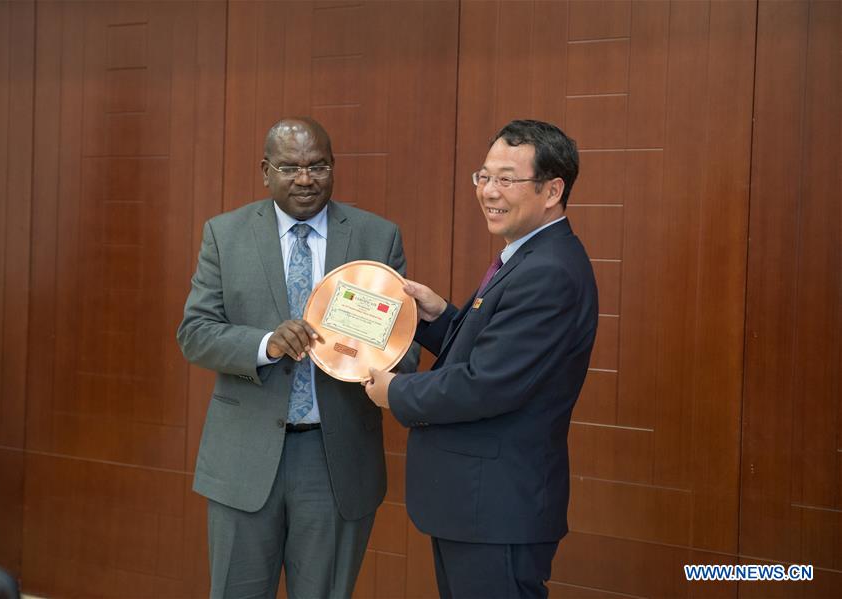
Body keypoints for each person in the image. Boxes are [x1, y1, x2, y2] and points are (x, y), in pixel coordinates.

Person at [177, 117, 418, 599]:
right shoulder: (225, 235)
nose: (306, 179)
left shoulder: (377, 237)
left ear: (333, 168)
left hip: (334, 459)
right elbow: (195, 333)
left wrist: (365, 356)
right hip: (244, 457)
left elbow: (404, 351)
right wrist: (265, 343)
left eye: (318, 166)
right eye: (290, 167)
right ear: (265, 171)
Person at [365, 120, 598, 598]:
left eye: (506, 179)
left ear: (552, 190)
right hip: (477, 506)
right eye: (484, 176)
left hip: (496, 508)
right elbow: (498, 352)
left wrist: (396, 392)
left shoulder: (548, 271)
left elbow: (488, 384)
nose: (489, 191)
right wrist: (438, 316)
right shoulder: (529, 256)